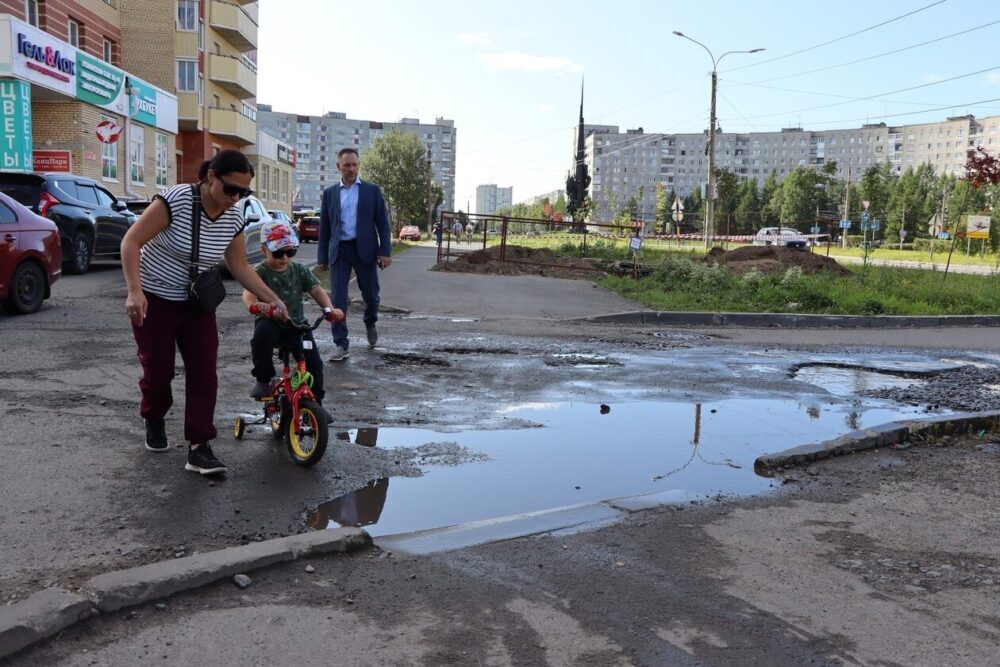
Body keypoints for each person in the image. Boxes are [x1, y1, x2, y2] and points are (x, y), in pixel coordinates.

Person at [121, 149, 288, 476]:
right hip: (155, 298)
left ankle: (200, 447)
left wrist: (273, 298)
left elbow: (239, 265)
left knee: (204, 372)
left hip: (197, 304)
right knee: (159, 373)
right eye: (230, 189)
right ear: (210, 176)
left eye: (244, 192)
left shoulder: (234, 216)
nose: (236, 197)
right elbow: (131, 242)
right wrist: (134, 290)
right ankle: (153, 415)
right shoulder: (177, 201)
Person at [243, 220, 343, 423]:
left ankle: (317, 405)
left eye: (290, 252)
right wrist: (255, 305)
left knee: (314, 363)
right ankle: (263, 379)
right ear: (264, 250)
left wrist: (329, 310)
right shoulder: (260, 272)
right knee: (261, 334)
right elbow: (248, 293)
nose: (285, 258)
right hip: (271, 323)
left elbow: (316, 289)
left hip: (297, 326)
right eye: (279, 253)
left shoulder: (299, 270)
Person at [315, 148, 391, 361]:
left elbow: (383, 224)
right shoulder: (330, 193)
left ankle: (370, 321)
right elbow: (326, 227)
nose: (351, 168)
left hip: (365, 250)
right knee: (338, 298)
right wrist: (322, 256)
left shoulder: (372, 191)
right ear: (338, 166)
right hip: (340, 251)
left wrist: (385, 251)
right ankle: (341, 344)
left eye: (355, 164)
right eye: (347, 165)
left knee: (371, 296)